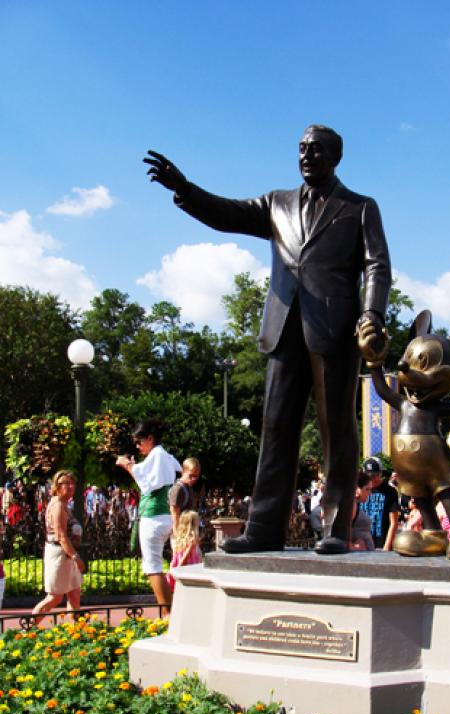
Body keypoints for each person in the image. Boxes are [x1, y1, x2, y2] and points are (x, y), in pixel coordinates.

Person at [144, 124, 391, 555]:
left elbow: (377, 266)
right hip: (283, 326)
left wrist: (370, 313)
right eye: (301, 149)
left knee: (336, 427)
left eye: (315, 149)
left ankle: (335, 526)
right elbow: (226, 213)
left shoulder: (359, 207)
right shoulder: (277, 203)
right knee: (276, 426)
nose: (306, 156)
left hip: (334, 327)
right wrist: (183, 188)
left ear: (335, 157)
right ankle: (264, 527)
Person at [116, 419, 181, 608]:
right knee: (160, 564)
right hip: (164, 516)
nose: (138, 446)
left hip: (154, 518)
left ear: (150, 438)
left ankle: (167, 612)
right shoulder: (164, 456)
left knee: (152, 566)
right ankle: (170, 609)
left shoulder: (157, 456)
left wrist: (127, 465)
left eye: (139, 441)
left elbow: (147, 484)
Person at [31, 470, 85, 624]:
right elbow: (61, 536)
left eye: (72, 483)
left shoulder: (64, 504)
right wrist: (76, 557)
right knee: (54, 597)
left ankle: (78, 633)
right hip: (59, 555)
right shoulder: (58, 505)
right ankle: (26, 629)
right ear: (57, 486)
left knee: (74, 594)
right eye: (65, 483)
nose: (70, 486)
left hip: (67, 553)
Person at [358, 457, 399, 550]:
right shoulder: (359, 490)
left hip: (382, 544)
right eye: (368, 475)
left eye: (374, 475)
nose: (371, 479)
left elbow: (394, 522)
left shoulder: (390, 491)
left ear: (380, 473)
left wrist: (387, 547)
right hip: (362, 545)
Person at [166, 509, 202, 591]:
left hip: (178, 564)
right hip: (187, 565)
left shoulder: (178, 537)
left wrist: (172, 567)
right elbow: (186, 555)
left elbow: (175, 555)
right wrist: (179, 567)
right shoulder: (193, 538)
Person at [169, 457, 201, 533]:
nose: (193, 479)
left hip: (188, 532)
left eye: (196, 476)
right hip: (181, 534)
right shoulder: (178, 489)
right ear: (183, 472)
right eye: (191, 475)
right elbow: (174, 515)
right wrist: (177, 538)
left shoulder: (188, 487)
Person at [350, 472, 375, 551]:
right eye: (367, 489)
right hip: (359, 556)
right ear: (357, 489)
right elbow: (344, 531)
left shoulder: (354, 504)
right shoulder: (352, 504)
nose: (370, 493)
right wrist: (353, 547)